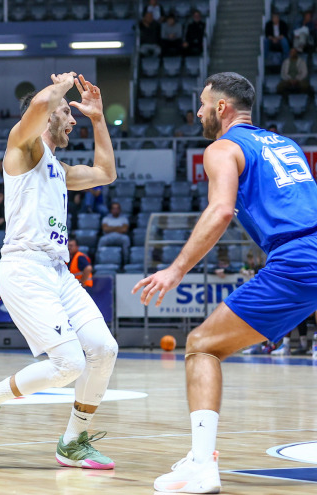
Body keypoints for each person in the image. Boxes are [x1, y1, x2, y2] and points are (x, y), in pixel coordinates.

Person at [132, 72, 317, 493]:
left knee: (201, 345)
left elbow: (220, 212)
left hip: (298, 260)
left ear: (221, 108)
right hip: (309, 251)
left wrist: (175, 269)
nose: (197, 112)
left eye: (202, 104)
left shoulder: (223, 148)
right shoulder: (286, 145)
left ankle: (201, 464)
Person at [0, 73, 119, 470]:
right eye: (67, 113)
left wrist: (99, 118)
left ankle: (73, 441)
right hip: (25, 267)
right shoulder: (22, 150)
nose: (72, 120)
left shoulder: (59, 170)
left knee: (104, 349)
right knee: (69, 364)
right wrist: (60, 89)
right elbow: (36, 107)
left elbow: (106, 173)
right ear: (48, 114)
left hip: (57, 271)